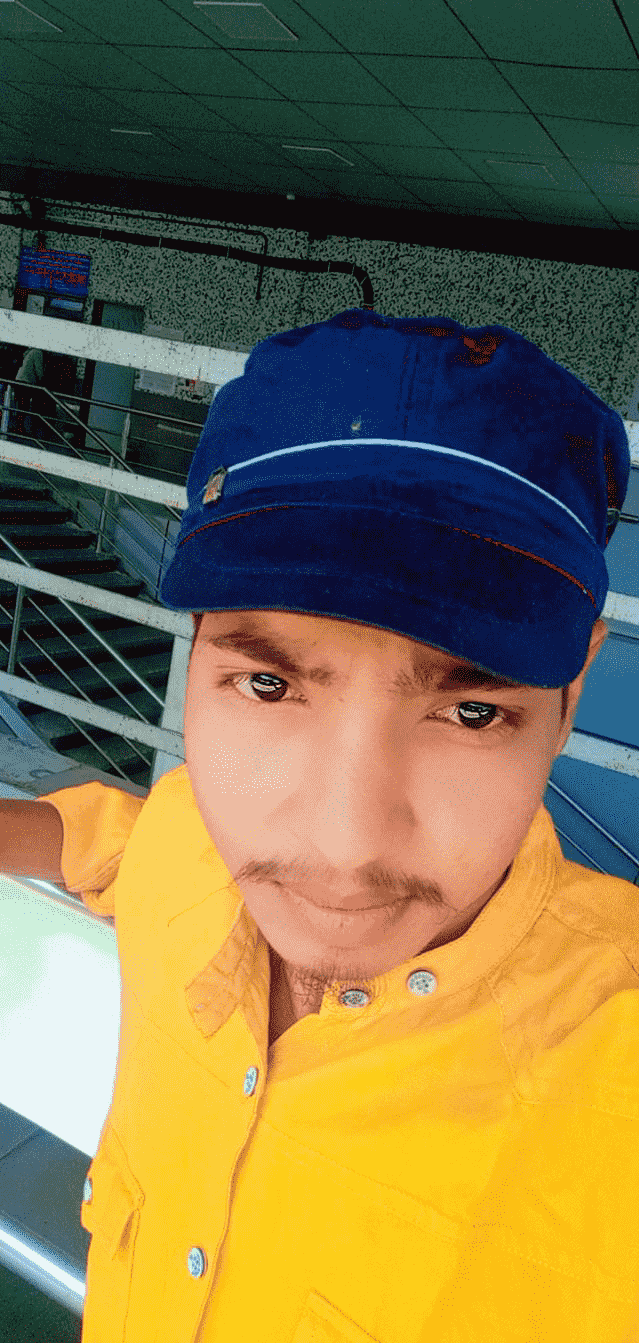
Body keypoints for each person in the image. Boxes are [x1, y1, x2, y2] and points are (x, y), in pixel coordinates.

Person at [0, 309, 637, 1342]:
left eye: (473, 712)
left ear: (571, 696)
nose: (344, 848)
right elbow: (109, 840)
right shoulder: (190, 840)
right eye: (267, 684)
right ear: (195, 651)